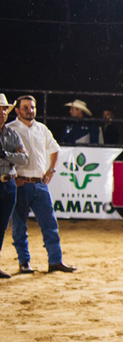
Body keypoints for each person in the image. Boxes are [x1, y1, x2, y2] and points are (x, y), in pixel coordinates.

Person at [6, 95, 75, 274]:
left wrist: (51, 169)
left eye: (32, 107)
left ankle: (55, 261)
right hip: (21, 183)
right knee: (20, 225)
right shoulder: (10, 129)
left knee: (49, 224)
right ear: (17, 110)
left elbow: (55, 148)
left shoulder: (41, 128)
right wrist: (14, 176)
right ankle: (24, 262)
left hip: (39, 183)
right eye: (26, 108)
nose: (30, 111)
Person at [0, 94, 30, 279]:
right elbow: (20, 157)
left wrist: (5, 155)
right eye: (0, 109)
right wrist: (12, 156)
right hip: (7, 181)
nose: (2, 113)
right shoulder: (11, 135)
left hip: (8, 183)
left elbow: (24, 158)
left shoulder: (11, 134)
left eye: (4, 109)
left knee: (2, 226)